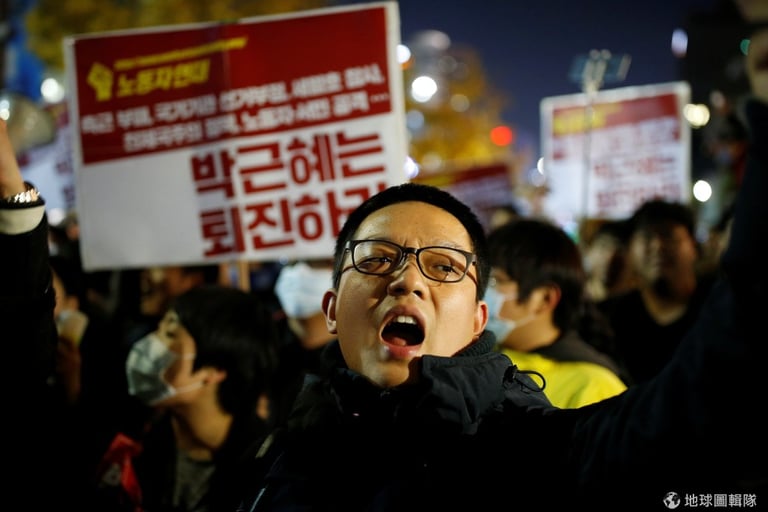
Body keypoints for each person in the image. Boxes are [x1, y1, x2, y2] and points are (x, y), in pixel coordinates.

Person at [236, 30, 768, 507]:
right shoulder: (280, 451)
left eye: (443, 266)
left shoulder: (534, 453)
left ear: (478, 319)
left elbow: (700, 403)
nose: (408, 280)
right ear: (331, 308)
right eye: (376, 259)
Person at [88, 283, 281, 512]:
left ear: (214, 370)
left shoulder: (267, 470)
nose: (149, 344)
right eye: (159, 330)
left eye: (169, 335)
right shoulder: (130, 441)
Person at [485, 218, 626, 407]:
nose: (481, 292)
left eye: (495, 281)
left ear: (545, 299)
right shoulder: (484, 361)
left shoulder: (593, 387)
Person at [595, 198, 715, 385]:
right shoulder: (607, 318)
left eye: (668, 235)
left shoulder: (719, 309)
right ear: (630, 251)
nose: (658, 246)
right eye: (647, 237)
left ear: (694, 246)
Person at [271, 258, 336, 425]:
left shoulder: (363, 359)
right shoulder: (262, 343)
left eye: (316, 262)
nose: (301, 270)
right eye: (293, 261)